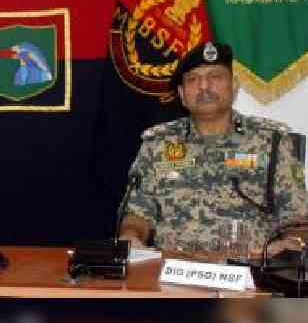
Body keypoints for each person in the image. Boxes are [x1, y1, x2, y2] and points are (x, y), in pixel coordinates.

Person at [118, 41, 307, 254]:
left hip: (250, 274)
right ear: (181, 94)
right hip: (173, 272)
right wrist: (131, 236)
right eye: (193, 79)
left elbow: (297, 220)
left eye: (215, 77)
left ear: (234, 87)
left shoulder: (270, 142)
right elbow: (138, 212)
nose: (204, 86)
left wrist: (289, 248)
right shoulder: (158, 143)